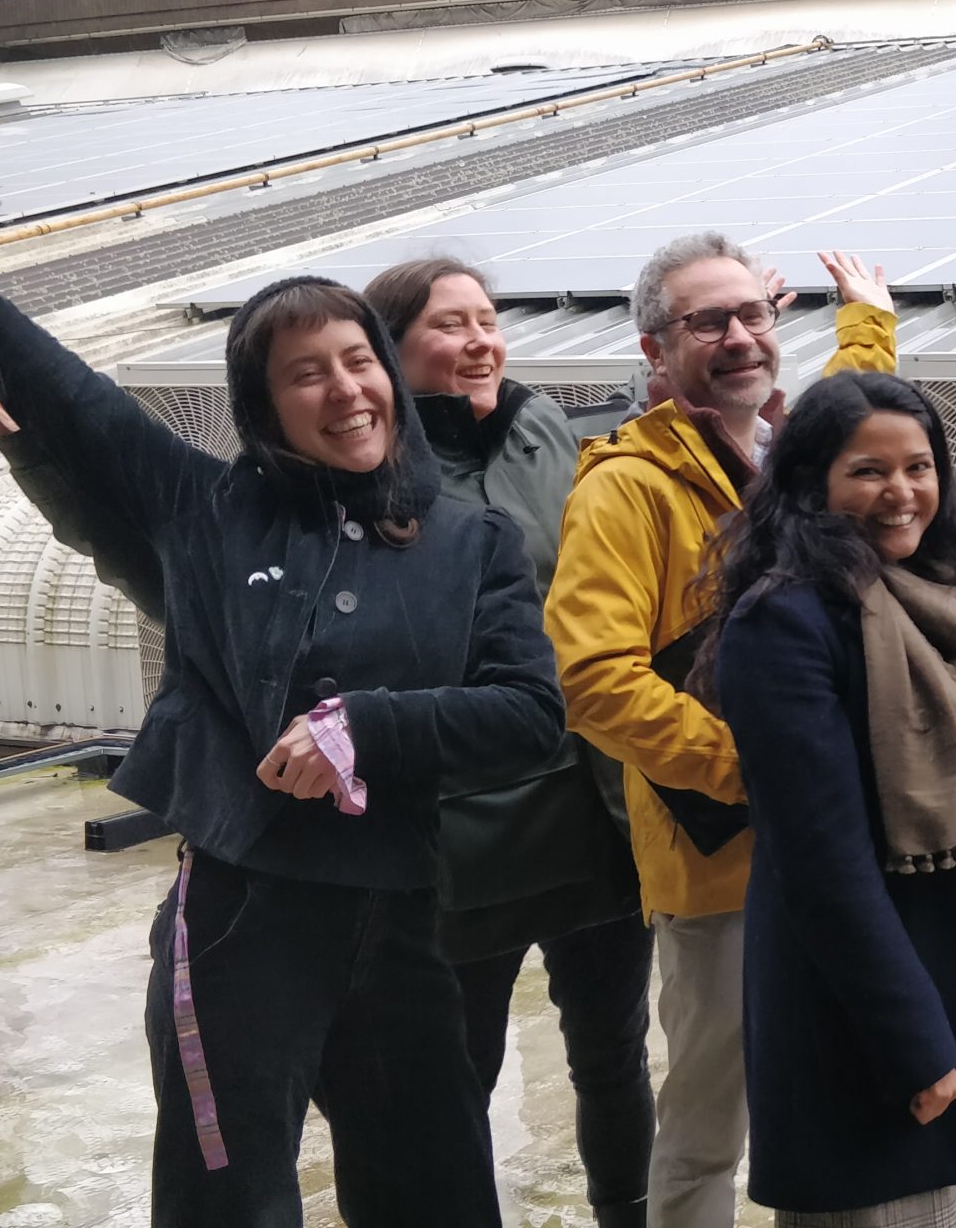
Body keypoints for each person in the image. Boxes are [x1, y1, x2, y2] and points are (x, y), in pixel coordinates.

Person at [0, 159, 563, 1224]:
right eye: (305, 372)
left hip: (406, 918)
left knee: (439, 1192)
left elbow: (529, 717)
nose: (346, 389)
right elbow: (59, 384)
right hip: (243, 913)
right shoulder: (206, 509)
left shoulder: (470, 541)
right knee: (226, 1196)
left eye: (358, 359)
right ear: (263, 405)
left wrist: (362, 726)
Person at [544, 236, 897, 1227]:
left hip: (835, 842)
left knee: (830, 1099)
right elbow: (596, 680)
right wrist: (757, 770)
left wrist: (866, 317)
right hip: (721, 864)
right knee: (708, 1123)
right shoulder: (628, 486)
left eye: (754, 316)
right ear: (656, 351)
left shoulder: (791, 457)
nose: (740, 337)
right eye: (709, 322)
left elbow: (858, 407)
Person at [704, 373, 956, 1226]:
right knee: (884, 1204)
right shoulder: (786, 620)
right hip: (863, 982)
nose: (900, 492)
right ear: (812, 484)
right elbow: (819, 862)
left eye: (919, 467)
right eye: (868, 471)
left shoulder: (951, 591)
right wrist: (909, 1041)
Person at [362, 256, 653, 1228]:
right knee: (456, 1073)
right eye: (450, 324)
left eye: (488, 318)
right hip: (463, 828)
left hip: (592, 807)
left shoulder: (543, 428)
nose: (481, 339)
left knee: (611, 1049)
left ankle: (627, 1210)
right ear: (391, 350)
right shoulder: (375, 467)